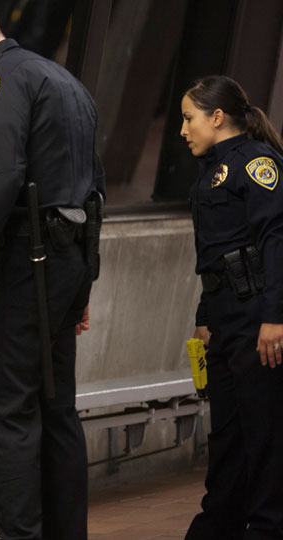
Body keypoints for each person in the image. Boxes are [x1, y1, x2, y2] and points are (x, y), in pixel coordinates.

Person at [0, 2, 105, 539]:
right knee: (57, 412)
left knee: (7, 415)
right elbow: (94, 190)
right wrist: (81, 286)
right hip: (68, 261)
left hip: (26, 264)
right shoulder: (65, 80)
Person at [179, 75, 283, 540]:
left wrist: (275, 317)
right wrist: (205, 317)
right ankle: (219, 525)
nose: (183, 130)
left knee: (264, 433)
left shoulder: (259, 164)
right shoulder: (209, 169)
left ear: (217, 117)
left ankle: (267, 527)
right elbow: (216, 252)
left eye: (188, 118)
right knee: (227, 433)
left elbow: (276, 243)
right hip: (224, 319)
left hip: (259, 316)